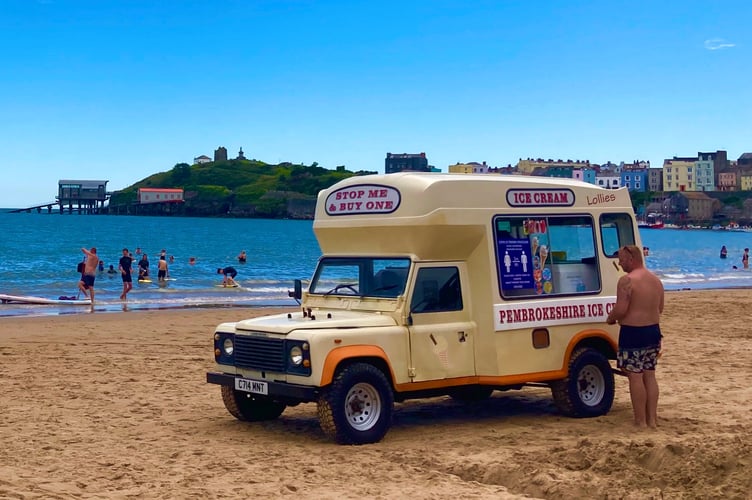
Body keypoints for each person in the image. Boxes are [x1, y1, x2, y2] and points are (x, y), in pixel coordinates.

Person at [606, 245, 664, 429]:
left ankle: (640, 421)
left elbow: (621, 309)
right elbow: (659, 308)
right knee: (650, 375)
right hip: (653, 331)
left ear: (631, 259)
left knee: (635, 376)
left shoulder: (627, 281)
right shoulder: (655, 280)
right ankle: (652, 420)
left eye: (622, 260)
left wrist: (611, 318)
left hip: (634, 333)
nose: (620, 264)